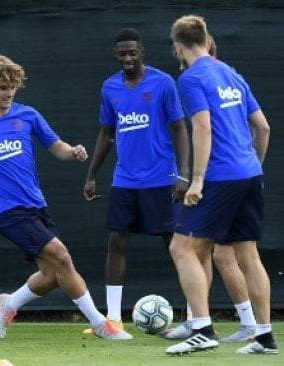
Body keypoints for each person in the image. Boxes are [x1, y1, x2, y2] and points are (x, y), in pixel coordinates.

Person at [0, 54, 132, 342]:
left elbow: (56, 146)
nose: (8, 93)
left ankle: (10, 303)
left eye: (12, 87)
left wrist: (73, 152)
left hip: (37, 205)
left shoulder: (27, 115)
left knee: (52, 275)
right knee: (63, 257)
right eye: (2, 87)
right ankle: (100, 324)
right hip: (8, 212)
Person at [166, 14, 277, 355]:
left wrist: (197, 179)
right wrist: (252, 168)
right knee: (246, 254)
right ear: (207, 39)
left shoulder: (190, 78)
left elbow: (202, 128)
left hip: (219, 176)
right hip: (247, 173)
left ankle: (202, 329)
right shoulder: (230, 72)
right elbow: (263, 128)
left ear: (178, 47)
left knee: (181, 249)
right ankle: (264, 336)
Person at [82, 28, 189, 333]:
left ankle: (197, 317)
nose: (128, 58)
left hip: (161, 178)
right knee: (116, 241)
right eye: (122, 54)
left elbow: (180, 129)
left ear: (142, 52)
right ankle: (113, 320)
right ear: (116, 55)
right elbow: (106, 134)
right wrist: (91, 175)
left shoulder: (163, 83)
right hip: (125, 180)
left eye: (133, 52)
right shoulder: (110, 88)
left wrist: (183, 174)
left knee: (176, 245)